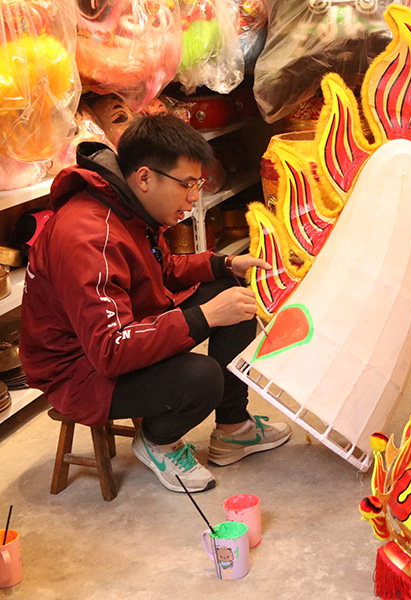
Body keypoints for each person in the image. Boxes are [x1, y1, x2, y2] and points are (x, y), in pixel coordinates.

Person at [20, 114, 291, 493]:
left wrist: (223, 263)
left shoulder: (127, 207)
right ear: (145, 177)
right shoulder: (88, 237)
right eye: (187, 185)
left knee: (231, 291)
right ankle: (157, 441)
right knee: (201, 378)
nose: (194, 197)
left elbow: (158, 271)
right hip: (78, 368)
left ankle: (233, 428)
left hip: (118, 332)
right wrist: (203, 317)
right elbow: (110, 351)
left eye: (197, 184)